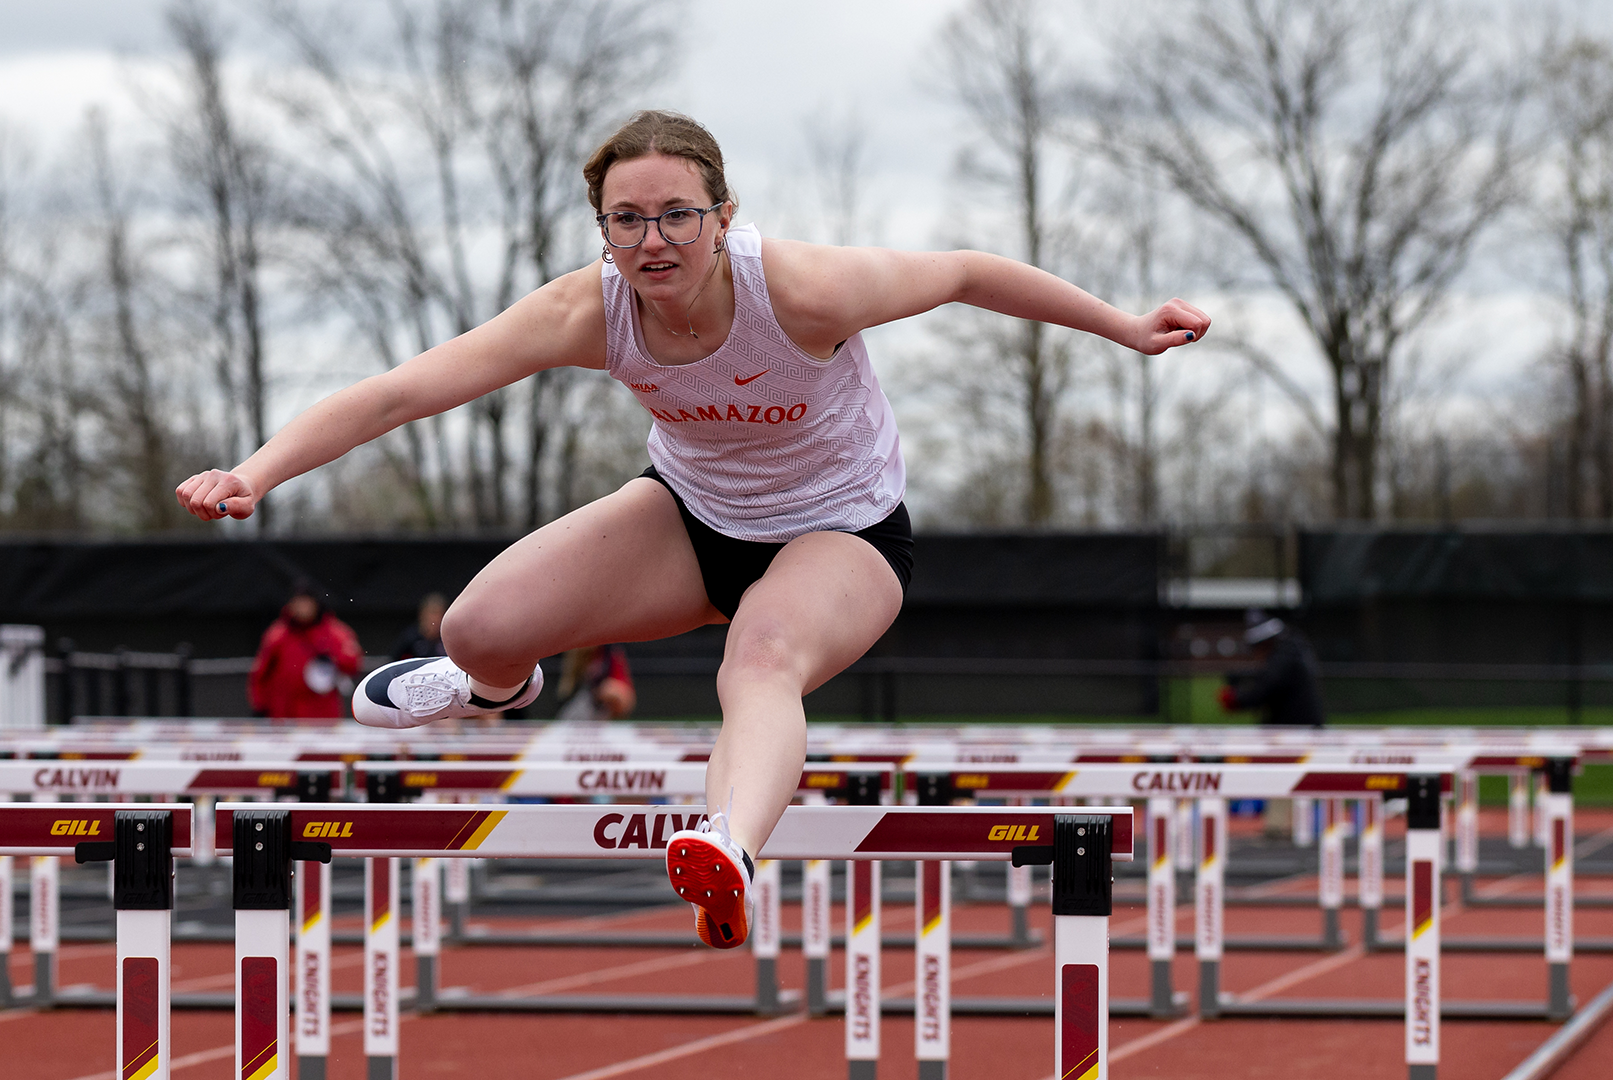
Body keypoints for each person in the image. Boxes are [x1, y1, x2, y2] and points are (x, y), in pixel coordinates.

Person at [177, 110, 1209, 949]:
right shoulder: (589, 311)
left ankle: (728, 842)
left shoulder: (801, 290)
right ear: (603, 229)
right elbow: (403, 394)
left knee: (755, 662)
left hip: (843, 534)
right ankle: (499, 685)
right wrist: (255, 471)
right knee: (478, 626)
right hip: (690, 518)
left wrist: (1124, 325)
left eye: (676, 215)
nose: (653, 240)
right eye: (627, 220)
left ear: (723, 217)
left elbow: (970, 271)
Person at [246, 580, 364, 721]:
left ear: (316, 604)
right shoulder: (277, 634)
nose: (303, 608)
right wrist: (259, 705)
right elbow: (260, 674)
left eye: (307, 603)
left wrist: (332, 659)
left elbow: (353, 664)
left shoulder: (335, 633)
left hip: (322, 716)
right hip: (284, 716)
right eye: (298, 603)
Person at [1219, 610, 1325, 727]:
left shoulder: (1284, 660)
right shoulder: (1288, 654)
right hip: (1295, 726)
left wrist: (1236, 698)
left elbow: (1263, 690)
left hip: (1299, 730)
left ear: (1265, 643)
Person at [556, 644, 636, 721]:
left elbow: (626, 698)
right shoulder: (577, 653)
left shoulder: (611, 652)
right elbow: (565, 689)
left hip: (601, 706)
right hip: (579, 707)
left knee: (610, 688)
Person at [392, 593, 449, 660]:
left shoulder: (449, 639)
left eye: (439, 614)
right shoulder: (410, 638)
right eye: (432, 613)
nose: (435, 619)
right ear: (422, 615)